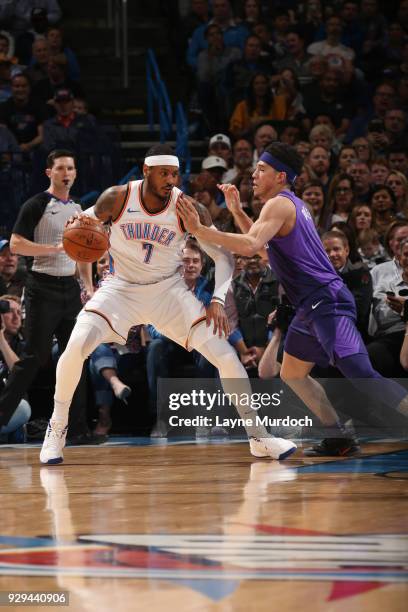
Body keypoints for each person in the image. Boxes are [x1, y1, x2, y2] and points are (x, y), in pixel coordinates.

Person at [40, 144, 297, 464]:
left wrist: (217, 299)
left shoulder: (187, 207)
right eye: (164, 173)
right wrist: (80, 252)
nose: (171, 180)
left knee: (225, 354)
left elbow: (224, 256)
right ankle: (57, 429)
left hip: (168, 292)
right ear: (146, 171)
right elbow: (82, 228)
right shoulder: (116, 197)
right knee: (75, 347)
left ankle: (258, 436)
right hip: (120, 288)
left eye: (175, 174)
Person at [177, 141, 408, 456]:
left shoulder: (279, 204)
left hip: (325, 300)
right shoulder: (290, 205)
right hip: (308, 305)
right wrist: (237, 212)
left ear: (281, 176)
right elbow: (262, 248)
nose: (255, 176)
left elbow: (248, 245)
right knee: (292, 373)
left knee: (361, 373)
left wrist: (199, 229)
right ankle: (338, 436)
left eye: (262, 170)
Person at [0, 149, 95, 444]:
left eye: (71, 168)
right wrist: (55, 249)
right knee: (34, 357)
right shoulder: (36, 204)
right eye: (61, 168)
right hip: (42, 288)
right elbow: (16, 244)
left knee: (74, 357)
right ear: (49, 173)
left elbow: (83, 255)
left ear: (76, 173)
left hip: (70, 291)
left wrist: (88, 286)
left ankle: (77, 430)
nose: (66, 173)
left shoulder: (80, 210)